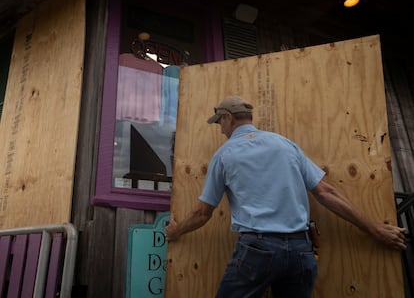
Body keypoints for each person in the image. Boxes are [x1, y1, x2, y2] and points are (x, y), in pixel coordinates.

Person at [165, 95, 407, 298]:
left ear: (228, 117)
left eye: (220, 122)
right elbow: (326, 192)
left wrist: (176, 231)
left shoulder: (224, 155)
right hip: (301, 250)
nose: (220, 128)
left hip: (257, 250)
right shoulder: (285, 145)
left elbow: (201, 213)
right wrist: (376, 229)